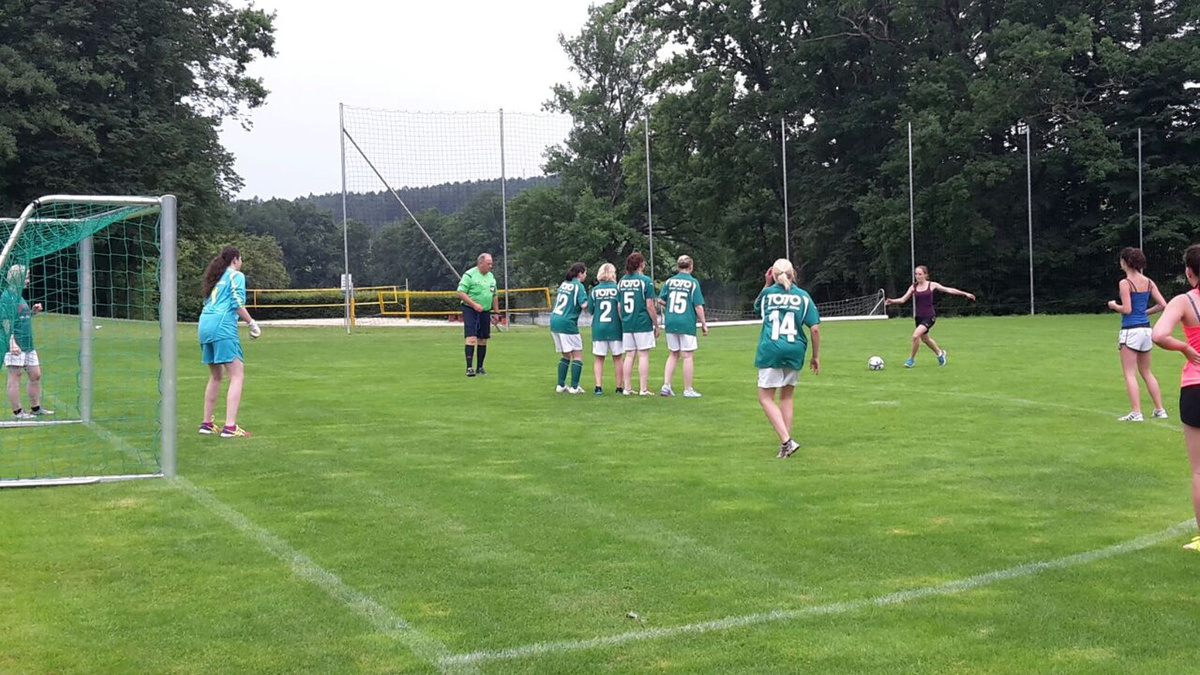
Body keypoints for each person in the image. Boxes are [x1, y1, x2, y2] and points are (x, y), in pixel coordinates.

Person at [1149, 244, 1200, 553]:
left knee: (1199, 470)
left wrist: (1184, 347)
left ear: (1189, 272)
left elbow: (1158, 335)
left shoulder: (1184, 301)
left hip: (1195, 386)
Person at [753, 259, 820, 458]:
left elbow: (757, 307)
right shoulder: (803, 296)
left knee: (765, 397)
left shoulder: (767, 294)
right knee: (787, 396)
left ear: (773, 274)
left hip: (771, 349)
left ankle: (786, 440)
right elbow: (815, 329)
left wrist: (767, 284)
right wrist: (815, 356)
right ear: (793, 274)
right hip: (795, 349)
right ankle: (786, 443)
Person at [198, 247, 260, 438]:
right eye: (241, 259)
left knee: (216, 376)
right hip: (222, 326)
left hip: (204, 325)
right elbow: (237, 303)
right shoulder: (236, 276)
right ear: (235, 259)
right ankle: (230, 427)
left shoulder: (216, 277)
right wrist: (252, 323)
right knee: (237, 375)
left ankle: (207, 424)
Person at [1108, 247, 1168, 421]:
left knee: (1129, 373)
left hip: (1131, 330)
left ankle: (1136, 412)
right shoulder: (1148, 282)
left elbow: (1127, 309)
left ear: (1125, 262)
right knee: (1146, 371)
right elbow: (1163, 304)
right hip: (1146, 329)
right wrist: (1145, 312)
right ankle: (1160, 409)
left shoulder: (1125, 283)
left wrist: (1114, 306)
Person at [883, 265, 976, 368]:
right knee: (925, 339)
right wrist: (892, 301)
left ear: (925, 275)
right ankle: (940, 353)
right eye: (916, 274)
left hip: (929, 317)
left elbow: (949, 290)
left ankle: (911, 360)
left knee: (915, 336)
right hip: (919, 317)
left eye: (920, 274)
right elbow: (903, 299)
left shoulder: (932, 285)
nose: (917, 276)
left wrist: (965, 294)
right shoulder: (913, 287)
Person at [2, 265, 52, 419]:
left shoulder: (19, 296)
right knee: (15, 375)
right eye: (26, 277)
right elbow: (5, 322)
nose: (28, 280)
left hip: (28, 343)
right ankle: (18, 412)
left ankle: (36, 408)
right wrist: (12, 343)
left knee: (35, 374)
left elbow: (20, 318)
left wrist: (32, 312)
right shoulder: (7, 297)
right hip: (15, 344)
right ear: (18, 277)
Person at [659, 255, 708, 398]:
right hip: (686, 321)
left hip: (671, 321)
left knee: (673, 353)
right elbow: (698, 306)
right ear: (691, 266)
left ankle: (666, 386)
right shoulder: (693, 283)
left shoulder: (670, 281)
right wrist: (703, 323)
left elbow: (661, 300)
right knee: (687, 355)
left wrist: (670, 306)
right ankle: (688, 389)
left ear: (678, 266)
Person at [618, 252, 660, 396]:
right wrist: (656, 324)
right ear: (641, 264)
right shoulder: (645, 281)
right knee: (643, 355)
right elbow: (649, 305)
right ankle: (643, 388)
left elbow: (619, 305)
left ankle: (627, 387)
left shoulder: (621, 281)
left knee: (629, 355)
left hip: (627, 322)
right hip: (642, 322)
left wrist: (623, 319)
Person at [455, 253, 498, 377]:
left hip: (485, 310)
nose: (491, 266)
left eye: (491, 264)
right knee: (471, 337)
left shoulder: (491, 277)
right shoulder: (469, 275)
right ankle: (469, 367)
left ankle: (480, 367)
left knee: (483, 339)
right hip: (470, 310)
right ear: (480, 263)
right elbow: (460, 292)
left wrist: (496, 312)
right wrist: (473, 304)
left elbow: (494, 295)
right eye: (488, 264)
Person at [550, 262, 590, 394]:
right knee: (577, 355)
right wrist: (594, 300)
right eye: (585, 273)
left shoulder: (564, 284)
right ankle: (574, 387)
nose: (586, 275)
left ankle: (561, 385)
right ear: (580, 273)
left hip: (554, 320)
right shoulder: (578, 286)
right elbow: (584, 305)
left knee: (566, 355)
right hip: (567, 322)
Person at [589, 263, 625, 395]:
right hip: (615, 327)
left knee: (599, 358)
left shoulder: (594, 291)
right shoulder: (617, 289)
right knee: (618, 358)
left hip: (599, 328)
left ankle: (598, 386)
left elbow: (591, 310)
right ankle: (619, 386)